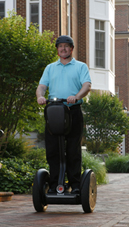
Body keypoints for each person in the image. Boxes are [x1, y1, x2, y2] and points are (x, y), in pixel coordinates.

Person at [36, 35, 92, 195]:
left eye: (66, 46)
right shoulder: (50, 68)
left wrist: (77, 96)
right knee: (53, 149)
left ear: (71, 49)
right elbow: (41, 86)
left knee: (73, 149)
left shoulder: (81, 67)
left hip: (72, 111)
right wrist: (40, 96)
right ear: (57, 49)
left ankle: (75, 184)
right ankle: (54, 184)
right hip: (54, 112)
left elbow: (87, 85)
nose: (63, 49)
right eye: (60, 46)